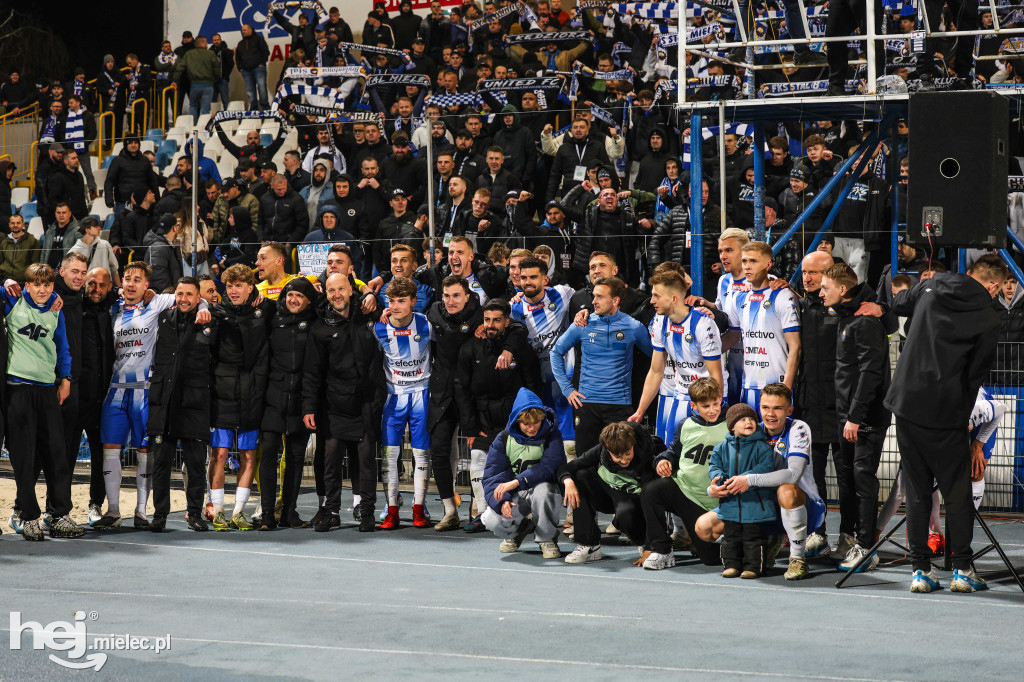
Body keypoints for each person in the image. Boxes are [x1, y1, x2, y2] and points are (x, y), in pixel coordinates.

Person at [880, 254, 1007, 593]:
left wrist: (924, 285)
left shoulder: (932, 285)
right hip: (947, 413)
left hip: (907, 405)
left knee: (919, 493)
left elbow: (898, 302)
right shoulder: (988, 317)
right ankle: (962, 570)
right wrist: (961, 415)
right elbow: (975, 374)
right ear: (993, 286)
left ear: (970, 273)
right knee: (957, 494)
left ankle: (921, 571)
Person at [95, 261, 211, 528]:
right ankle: (113, 511)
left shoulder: (157, 303)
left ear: (147, 285)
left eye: (138, 279)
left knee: (147, 452)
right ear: (121, 282)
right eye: (127, 278)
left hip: (146, 392)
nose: (132, 283)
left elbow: (193, 298)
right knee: (110, 449)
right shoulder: (112, 308)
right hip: (116, 390)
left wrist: (204, 308)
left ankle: (142, 512)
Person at [695, 383, 827, 581]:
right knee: (703, 527)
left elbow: (793, 475)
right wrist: (712, 489)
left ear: (789, 410)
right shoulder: (749, 429)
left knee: (786, 490)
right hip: (757, 507)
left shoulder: (798, 428)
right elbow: (724, 466)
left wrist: (750, 479)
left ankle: (797, 559)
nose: (770, 414)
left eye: (777, 408)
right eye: (765, 407)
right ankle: (762, 543)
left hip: (804, 507)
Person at [819, 263, 892, 572]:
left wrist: (855, 417)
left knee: (863, 479)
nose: (820, 292)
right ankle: (851, 541)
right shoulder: (850, 315)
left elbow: (870, 372)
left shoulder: (864, 321)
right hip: (849, 415)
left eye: (825, 287)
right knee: (848, 477)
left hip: (864, 419)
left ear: (843, 290)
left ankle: (866, 547)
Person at [3, 263, 83, 541]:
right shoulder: (12, 301)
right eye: (36, 284)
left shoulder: (56, 309)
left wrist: (66, 378)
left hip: (48, 390)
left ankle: (59, 514)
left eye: (47, 285)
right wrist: (6, 281)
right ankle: (27, 517)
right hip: (18, 390)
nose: (42, 289)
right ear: (27, 286)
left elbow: (63, 348)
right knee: (23, 459)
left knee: (56, 454)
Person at [303, 273, 384, 532]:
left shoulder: (369, 314)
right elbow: (312, 372)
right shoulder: (319, 327)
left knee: (366, 460)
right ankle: (331, 511)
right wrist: (308, 407)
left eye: (341, 288)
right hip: (333, 404)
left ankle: (368, 512)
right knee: (330, 461)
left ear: (351, 289)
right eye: (331, 290)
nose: (336, 294)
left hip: (365, 402)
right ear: (325, 293)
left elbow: (389, 309)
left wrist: (373, 296)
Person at [456, 298, 542, 532]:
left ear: (507, 322)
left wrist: (525, 425)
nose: (491, 325)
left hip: (513, 425)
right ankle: (484, 514)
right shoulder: (470, 348)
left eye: (496, 320)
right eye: (487, 320)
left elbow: (532, 387)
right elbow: (462, 391)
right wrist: (471, 428)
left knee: (517, 469)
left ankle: (524, 514)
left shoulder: (520, 349)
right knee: (478, 464)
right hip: (483, 423)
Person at [551, 276, 652, 454]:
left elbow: (654, 355)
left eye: (599, 297)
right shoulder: (582, 324)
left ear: (615, 300)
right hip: (585, 404)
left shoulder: (633, 326)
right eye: (594, 296)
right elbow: (556, 352)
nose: (593, 301)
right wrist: (567, 389)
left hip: (619, 406)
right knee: (584, 461)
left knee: (621, 460)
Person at [148, 277, 218, 532]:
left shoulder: (209, 319)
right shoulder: (164, 318)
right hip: (164, 401)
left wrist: (206, 308)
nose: (183, 299)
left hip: (195, 403)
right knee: (161, 464)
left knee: (196, 464)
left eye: (189, 294)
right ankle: (159, 515)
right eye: (180, 294)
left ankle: (195, 514)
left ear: (198, 297)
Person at [209, 263, 274, 531]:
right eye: (230, 286)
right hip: (222, 393)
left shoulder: (267, 309)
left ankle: (238, 512)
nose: (234, 291)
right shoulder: (215, 313)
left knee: (249, 456)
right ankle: (219, 512)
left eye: (239, 285)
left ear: (251, 287)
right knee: (220, 454)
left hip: (253, 393)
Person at [640, 377, 727, 569]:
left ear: (721, 398)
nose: (712, 410)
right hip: (685, 491)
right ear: (694, 406)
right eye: (706, 406)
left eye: (715, 403)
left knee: (711, 559)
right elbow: (673, 451)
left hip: (716, 501)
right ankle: (661, 550)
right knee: (651, 490)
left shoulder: (732, 423)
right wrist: (663, 460)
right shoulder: (685, 424)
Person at [631, 270, 725, 443]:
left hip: (707, 397)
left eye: (656, 296)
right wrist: (640, 410)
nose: (652, 301)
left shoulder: (703, 324)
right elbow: (656, 370)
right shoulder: (660, 321)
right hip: (682, 393)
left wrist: (714, 407)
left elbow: (716, 375)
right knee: (671, 449)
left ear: (674, 299)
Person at [255, 277, 317, 531]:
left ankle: (289, 512)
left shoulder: (315, 320)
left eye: (300, 296)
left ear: (309, 301)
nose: (293, 299)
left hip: (301, 403)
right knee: (268, 455)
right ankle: (268, 513)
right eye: (290, 295)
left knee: (294, 459)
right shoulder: (271, 316)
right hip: (272, 400)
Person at [374, 276, 434, 529]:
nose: (396, 306)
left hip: (422, 395)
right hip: (393, 398)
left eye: (401, 301)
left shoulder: (427, 325)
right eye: (391, 301)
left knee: (421, 454)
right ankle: (392, 509)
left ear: (413, 301)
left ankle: (419, 508)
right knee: (390, 455)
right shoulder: (378, 328)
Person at [558, 421, 664, 564]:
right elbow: (568, 467)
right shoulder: (601, 450)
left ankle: (644, 542)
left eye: (627, 454)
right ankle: (589, 545)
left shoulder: (648, 456)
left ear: (633, 445)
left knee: (625, 514)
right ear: (607, 450)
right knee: (579, 475)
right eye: (618, 456)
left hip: (636, 502)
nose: (624, 460)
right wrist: (568, 481)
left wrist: (650, 546)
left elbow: (654, 505)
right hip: (609, 495)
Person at [481, 388, 566, 558]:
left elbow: (548, 467)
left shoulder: (552, 435)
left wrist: (517, 482)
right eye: (526, 423)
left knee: (544, 491)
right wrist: (502, 501)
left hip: (541, 489)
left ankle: (547, 539)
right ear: (517, 421)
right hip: (516, 494)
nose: (532, 427)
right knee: (490, 519)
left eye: (536, 422)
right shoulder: (503, 439)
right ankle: (518, 531)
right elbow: (492, 476)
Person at [794, 251, 841, 558]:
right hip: (810, 404)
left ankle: (852, 537)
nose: (807, 277)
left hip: (841, 408)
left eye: (814, 272)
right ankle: (817, 533)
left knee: (850, 478)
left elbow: (889, 323)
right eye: (804, 272)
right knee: (812, 475)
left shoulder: (849, 308)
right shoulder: (797, 305)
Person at [722, 241, 801, 411]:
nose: (747, 266)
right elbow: (732, 336)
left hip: (777, 387)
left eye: (753, 261)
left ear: (768, 264)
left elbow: (795, 347)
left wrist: (785, 390)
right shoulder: (738, 297)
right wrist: (702, 353)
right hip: (748, 386)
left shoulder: (783, 296)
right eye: (744, 261)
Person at [510, 256, 577, 454]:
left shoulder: (562, 294)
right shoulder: (513, 308)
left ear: (545, 280)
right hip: (535, 381)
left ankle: (568, 480)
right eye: (523, 278)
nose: (527, 282)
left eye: (533, 277)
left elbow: (584, 298)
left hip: (565, 375)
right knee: (540, 436)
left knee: (569, 441)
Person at [708, 404, 778, 579]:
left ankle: (754, 567)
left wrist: (744, 478)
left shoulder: (762, 447)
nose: (749, 422)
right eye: (743, 419)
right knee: (730, 537)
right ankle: (731, 565)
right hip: (729, 505)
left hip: (754, 505)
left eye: (752, 419)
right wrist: (719, 477)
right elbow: (714, 466)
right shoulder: (720, 448)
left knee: (753, 538)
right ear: (732, 426)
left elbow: (765, 467)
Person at [80, 267, 114, 525]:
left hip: (103, 398)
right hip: (74, 396)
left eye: (102, 285)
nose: (96, 289)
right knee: (64, 454)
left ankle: (95, 504)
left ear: (110, 287)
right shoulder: (69, 305)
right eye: (92, 283)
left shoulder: (116, 308)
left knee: (99, 454)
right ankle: (54, 507)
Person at [173, 35, 221, 118]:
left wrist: (175, 80)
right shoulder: (210, 53)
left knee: (193, 106)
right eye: (206, 42)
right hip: (208, 85)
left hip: (194, 85)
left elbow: (179, 68)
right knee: (206, 108)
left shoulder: (189, 54)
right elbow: (216, 68)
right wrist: (216, 78)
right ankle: (205, 127)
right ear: (202, 43)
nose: (207, 44)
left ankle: (194, 127)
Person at [70, 217, 120, 287]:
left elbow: (114, 269)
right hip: (86, 289)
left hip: (105, 287)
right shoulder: (75, 250)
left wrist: (119, 288)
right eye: (96, 226)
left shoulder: (104, 245)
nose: (99, 228)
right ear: (87, 230)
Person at [143, 214, 183, 293]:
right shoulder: (159, 247)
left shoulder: (167, 245)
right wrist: (167, 296)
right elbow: (157, 277)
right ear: (174, 228)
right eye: (177, 225)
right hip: (163, 298)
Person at [236, 24, 271, 109]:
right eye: (242, 30)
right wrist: (240, 68)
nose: (242, 31)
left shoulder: (259, 39)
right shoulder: (240, 44)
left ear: (250, 30)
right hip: (246, 71)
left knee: (262, 88)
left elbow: (266, 52)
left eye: (244, 30)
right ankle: (253, 108)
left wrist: (262, 63)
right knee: (250, 91)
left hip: (258, 69)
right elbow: (238, 57)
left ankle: (265, 107)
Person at [0, 215, 42, 284]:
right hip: (5, 281)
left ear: (23, 224)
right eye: (13, 223)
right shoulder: (4, 242)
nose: (15, 225)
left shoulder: (32, 241)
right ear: (9, 225)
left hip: (23, 282)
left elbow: (35, 264)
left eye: (18, 223)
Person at [41, 202, 82, 270]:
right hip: (49, 272)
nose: (61, 215)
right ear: (55, 214)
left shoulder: (77, 231)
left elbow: (79, 254)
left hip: (67, 271)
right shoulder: (49, 231)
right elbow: (44, 252)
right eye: (58, 213)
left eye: (64, 212)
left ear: (69, 214)